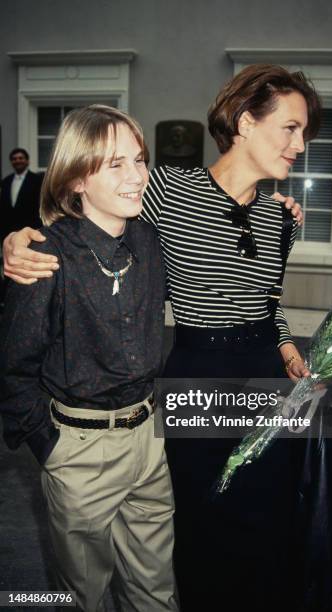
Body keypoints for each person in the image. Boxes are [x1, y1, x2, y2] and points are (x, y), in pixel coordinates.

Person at [1, 65, 332, 612]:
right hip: (196, 383)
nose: (301, 143)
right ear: (245, 122)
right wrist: (17, 238)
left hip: (267, 381)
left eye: (306, 131)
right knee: (199, 527)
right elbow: (87, 216)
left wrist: (289, 348)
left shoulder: (281, 218)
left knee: (270, 525)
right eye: (291, 128)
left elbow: (268, 305)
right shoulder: (166, 191)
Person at [0, 106, 177, 612]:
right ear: (77, 178)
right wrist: (50, 446)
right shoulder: (44, 254)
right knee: (83, 596)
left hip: (148, 440)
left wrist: (280, 212)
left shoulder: (150, 241)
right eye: (115, 164)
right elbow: (14, 367)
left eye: (139, 160)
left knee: (157, 591)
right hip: (77, 448)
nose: (137, 175)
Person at [0, 148, 43, 244]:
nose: (17, 161)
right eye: (14, 159)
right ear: (11, 162)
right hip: (9, 232)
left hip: (30, 230)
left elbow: (40, 205)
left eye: (21, 158)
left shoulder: (37, 180)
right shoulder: (6, 181)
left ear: (27, 161)